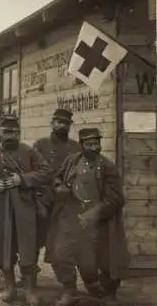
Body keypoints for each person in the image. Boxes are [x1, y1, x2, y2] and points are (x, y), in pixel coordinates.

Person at [0, 115, 52, 306]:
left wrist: (23, 179)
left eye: (12, 132)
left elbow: (46, 173)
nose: (8, 135)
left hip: (25, 208)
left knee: (28, 249)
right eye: (5, 131)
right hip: (0, 208)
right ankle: (9, 287)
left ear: (18, 133)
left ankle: (29, 290)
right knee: (3, 249)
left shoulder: (29, 152)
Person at [50, 128, 130, 306]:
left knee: (105, 259)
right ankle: (70, 292)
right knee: (61, 252)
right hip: (72, 216)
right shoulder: (72, 161)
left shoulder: (107, 166)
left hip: (100, 220)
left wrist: (92, 215)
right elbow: (57, 177)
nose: (94, 148)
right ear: (81, 146)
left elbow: (116, 199)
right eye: (89, 144)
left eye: (97, 143)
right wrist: (59, 187)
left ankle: (109, 294)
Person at [22, 109, 81, 287]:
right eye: (58, 122)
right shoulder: (40, 145)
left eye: (65, 123)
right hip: (41, 199)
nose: (61, 125)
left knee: (60, 244)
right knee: (33, 241)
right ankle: (28, 277)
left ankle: (67, 285)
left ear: (70, 126)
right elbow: (31, 170)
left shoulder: (75, 148)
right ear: (52, 123)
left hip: (63, 203)